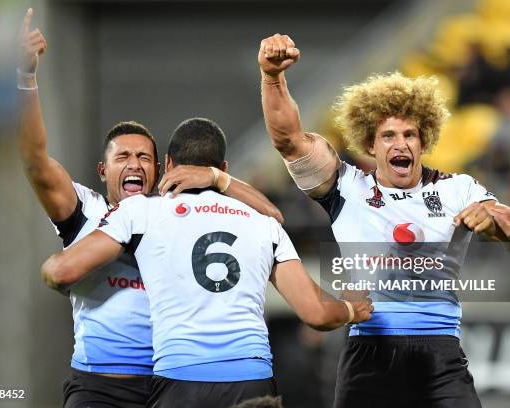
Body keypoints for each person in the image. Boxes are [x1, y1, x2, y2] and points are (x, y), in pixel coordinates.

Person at [17, 9, 282, 407]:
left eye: (145, 157)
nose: (135, 164)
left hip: (168, 383)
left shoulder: (172, 217)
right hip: (100, 385)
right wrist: (25, 78)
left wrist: (218, 178)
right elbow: (35, 160)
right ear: (103, 170)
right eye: (123, 156)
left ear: (160, 170)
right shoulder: (84, 212)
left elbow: (271, 218)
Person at [258, 33, 510, 408]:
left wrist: (498, 224)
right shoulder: (346, 186)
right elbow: (288, 140)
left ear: (423, 140)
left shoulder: (460, 189)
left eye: (410, 134)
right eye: (389, 135)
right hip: (369, 354)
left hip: (440, 357)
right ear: (370, 143)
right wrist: (272, 78)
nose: (401, 144)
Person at [41, 117, 374, 408]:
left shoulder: (142, 212)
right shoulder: (262, 223)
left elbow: (61, 272)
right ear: (224, 168)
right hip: (251, 380)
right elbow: (316, 313)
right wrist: (350, 309)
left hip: (180, 381)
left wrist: (56, 268)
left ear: (168, 165)